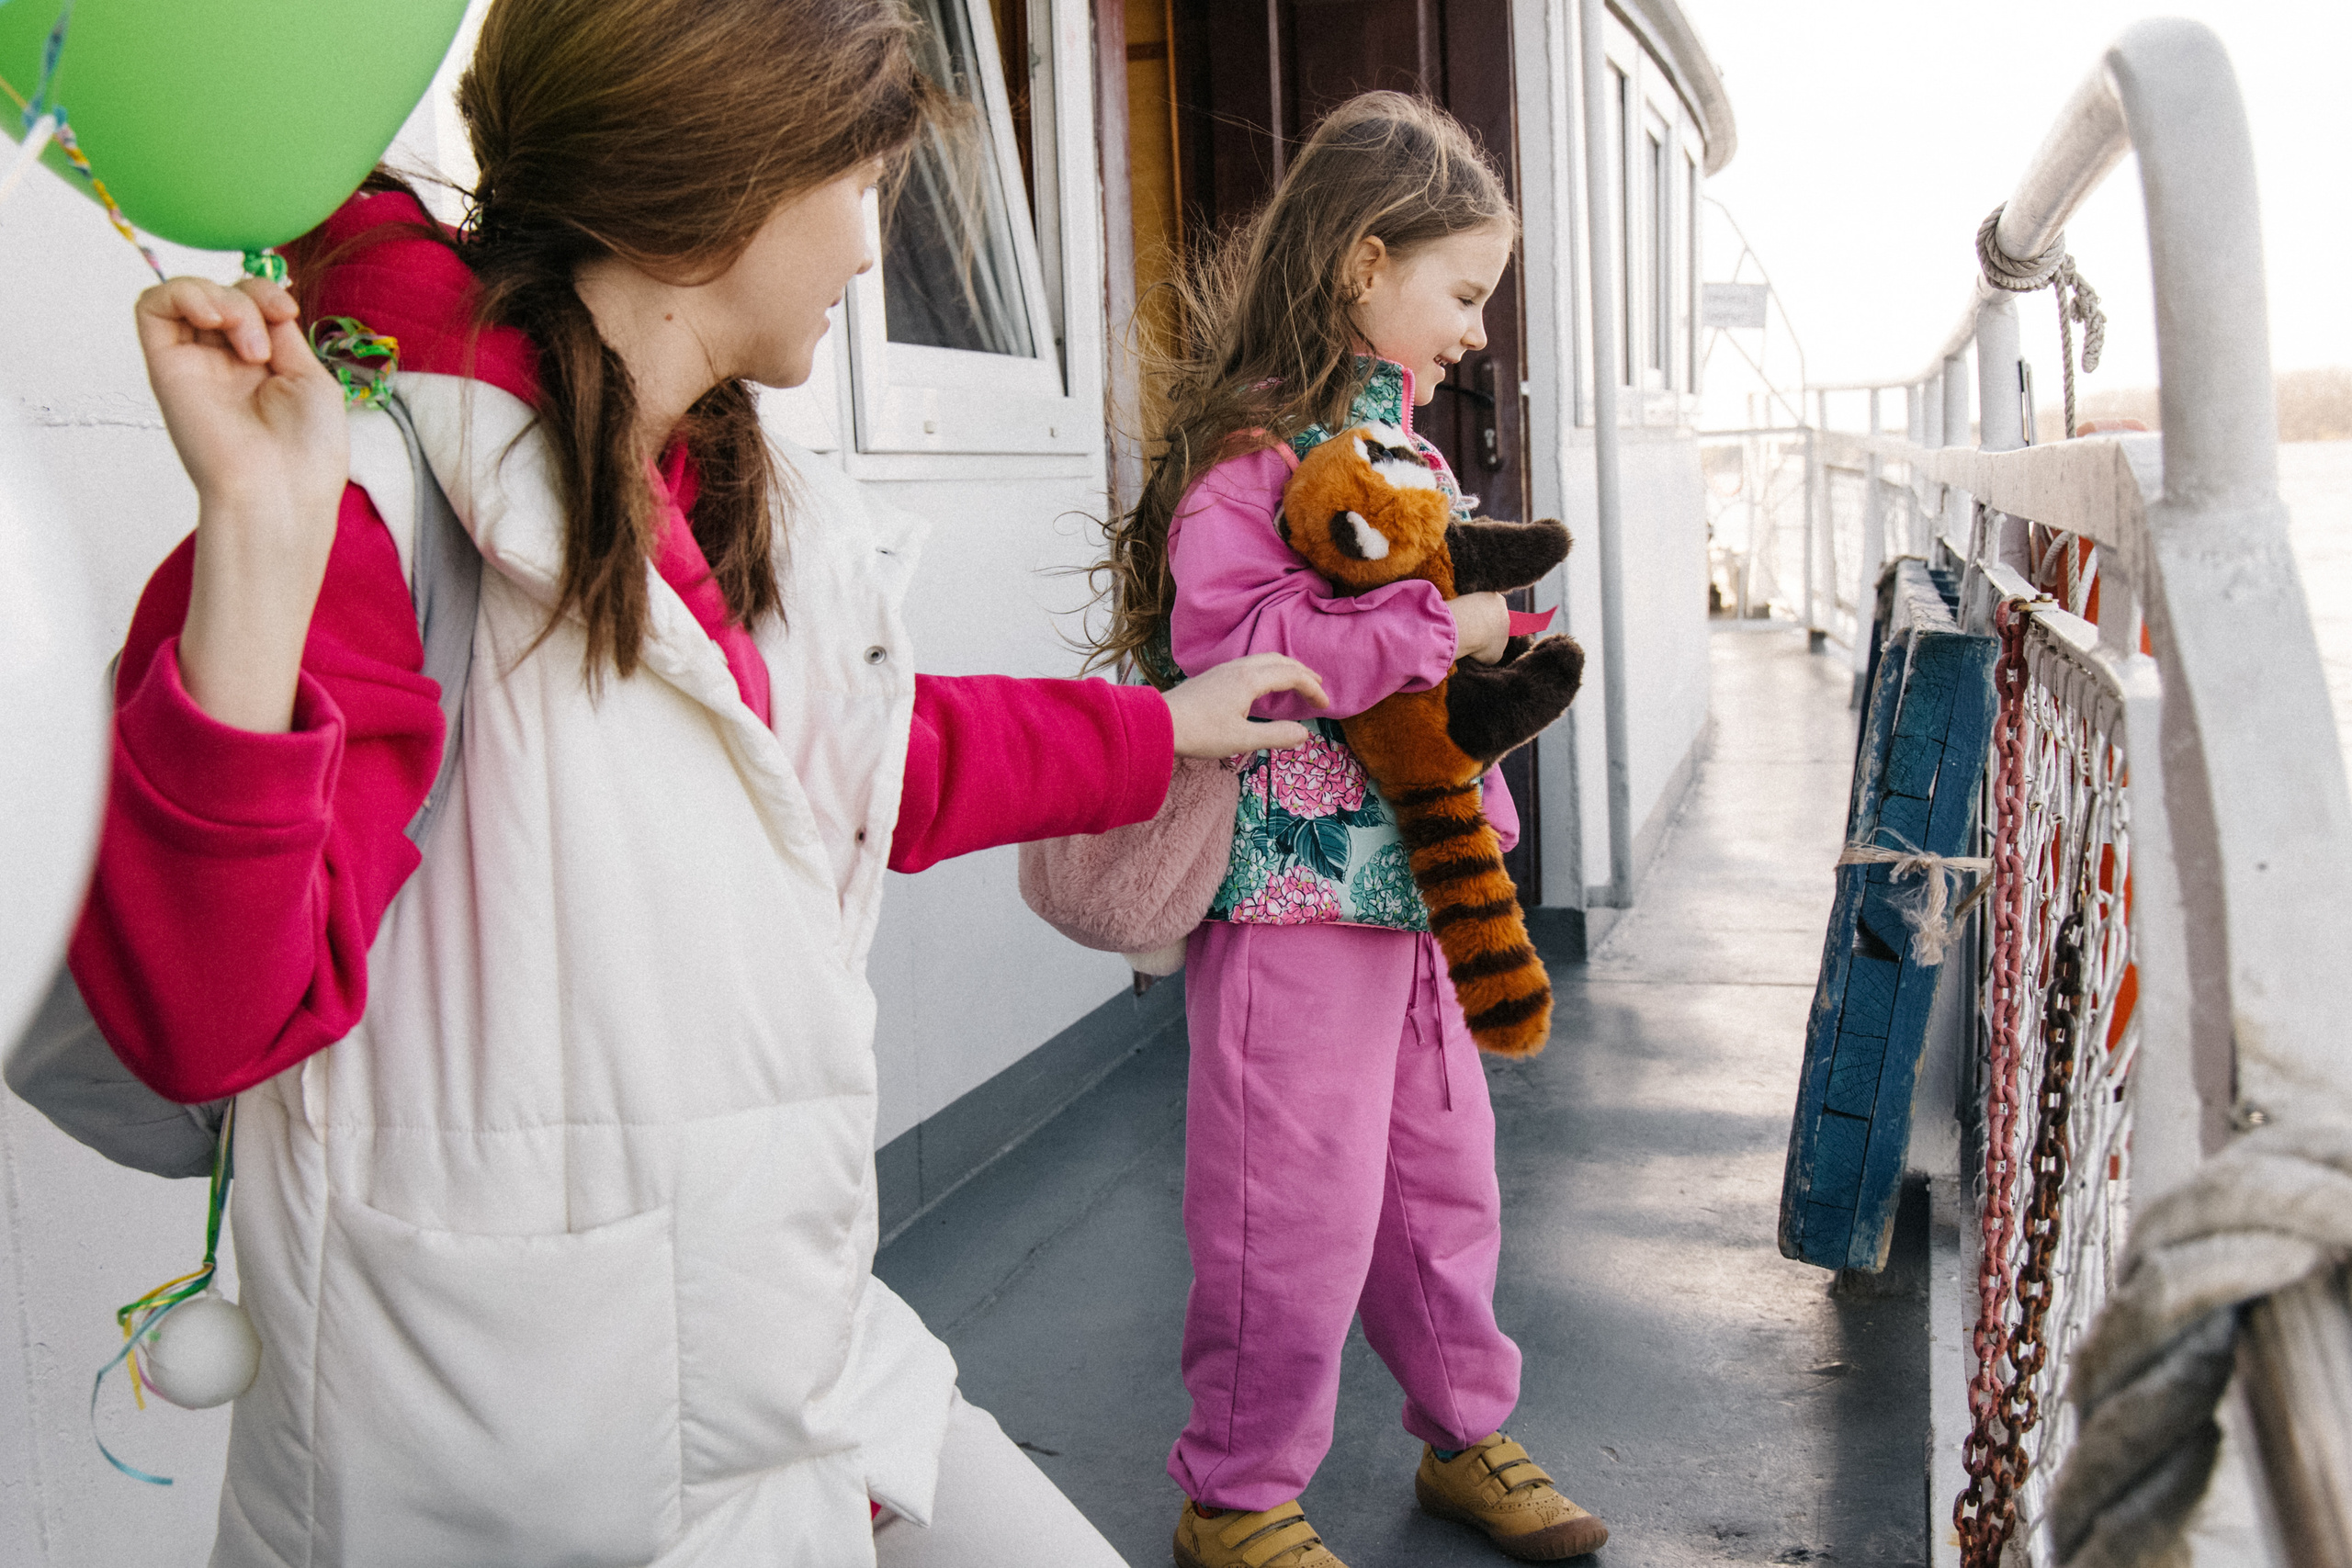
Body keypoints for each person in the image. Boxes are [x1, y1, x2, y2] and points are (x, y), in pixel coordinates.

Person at [67, 0, 1329, 1562]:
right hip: (528, 1457)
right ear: (722, 187)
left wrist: (1160, 729)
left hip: (782, 1368)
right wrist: (260, 538)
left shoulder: (727, 488)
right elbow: (198, 1025)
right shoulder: (368, 511)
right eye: (861, 188)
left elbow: (859, 762)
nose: (875, 254)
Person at [1089, 93, 1610, 1567]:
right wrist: (1446, 630)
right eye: (1461, 293)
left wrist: (1494, 650)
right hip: (1293, 896)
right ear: (1364, 264)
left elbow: (1426, 637)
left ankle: (1464, 1430)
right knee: (1288, 1208)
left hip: (1419, 893)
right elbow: (1247, 648)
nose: (1474, 332)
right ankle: (1236, 1494)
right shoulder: (1249, 460)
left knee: (1445, 1185)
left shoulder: (1416, 462)